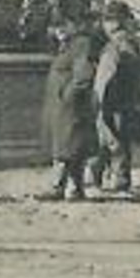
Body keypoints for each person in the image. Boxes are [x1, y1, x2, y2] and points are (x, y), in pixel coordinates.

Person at [42, 28, 100, 199]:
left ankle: (59, 187)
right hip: (63, 108)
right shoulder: (66, 45)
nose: (56, 30)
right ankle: (75, 188)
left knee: (67, 148)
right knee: (72, 148)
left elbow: (83, 77)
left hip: (71, 108)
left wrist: (67, 96)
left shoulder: (81, 44)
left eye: (62, 25)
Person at [88, 22, 140, 195]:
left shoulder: (112, 49)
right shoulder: (133, 48)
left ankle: (97, 180)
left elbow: (105, 80)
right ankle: (120, 182)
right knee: (118, 143)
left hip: (111, 104)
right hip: (124, 104)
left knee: (107, 143)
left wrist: (98, 104)